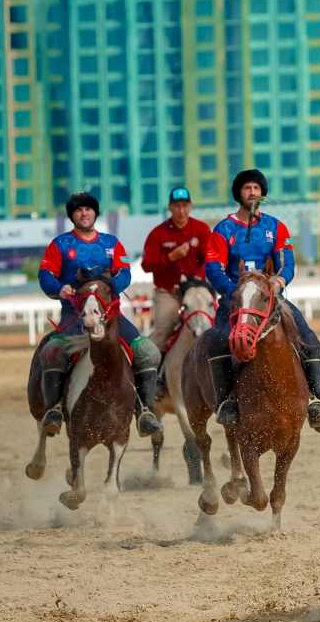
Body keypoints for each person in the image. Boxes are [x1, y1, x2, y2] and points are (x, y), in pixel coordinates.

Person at [201, 169, 320, 430]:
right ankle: (227, 402)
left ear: (263, 193)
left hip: (271, 299)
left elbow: (287, 263)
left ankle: (317, 401)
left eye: (257, 188)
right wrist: (234, 292)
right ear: (238, 193)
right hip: (234, 301)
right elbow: (213, 268)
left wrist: (278, 281)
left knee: (311, 342)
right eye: (247, 188)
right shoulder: (223, 229)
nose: (253, 193)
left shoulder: (276, 227)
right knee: (217, 342)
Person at [36, 191, 163, 437]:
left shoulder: (111, 243)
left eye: (88, 209)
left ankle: (145, 411)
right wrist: (57, 287)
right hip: (74, 315)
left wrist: (110, 286)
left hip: (111, 315)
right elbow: (45, 276)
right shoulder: (60, 245)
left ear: (95, 213)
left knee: (148, 352)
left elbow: (125, 272)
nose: (84, 213)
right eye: (78, 210)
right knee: (52, 351)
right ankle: (54, 410)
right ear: (72, 215)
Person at [141, 186, 212, 397]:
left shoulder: (201, 229)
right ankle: (156, 379)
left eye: (185, 205)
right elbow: (146, 264)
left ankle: (224, 371)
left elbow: (210, 258)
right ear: (170, 207)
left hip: (197, 289)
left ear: (190, 206)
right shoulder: (158, 233)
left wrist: (198, 276)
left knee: (217, 324)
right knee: (163, 330)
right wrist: (170, 257)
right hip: (169, 292)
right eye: (177, 206)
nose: (181, 210)